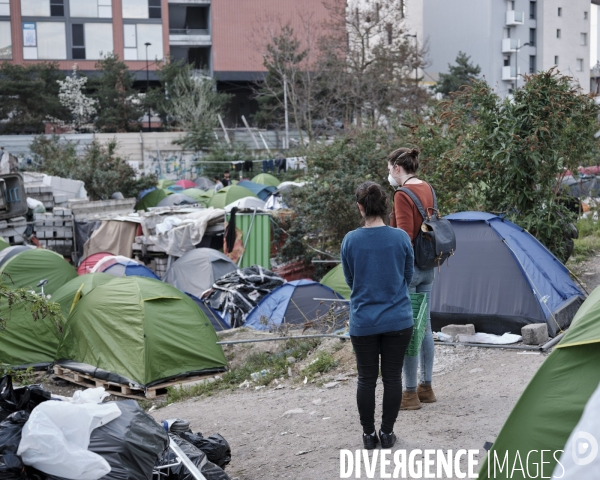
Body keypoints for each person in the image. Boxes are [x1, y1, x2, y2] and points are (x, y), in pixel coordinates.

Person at [341, 181, 415, 450]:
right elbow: (408, 276)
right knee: (393, 377)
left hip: (364, 321)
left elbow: (351, 279)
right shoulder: (400, 238)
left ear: (360, 207)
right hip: (398, 318)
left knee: (366, 378)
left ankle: (367, 435)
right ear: (385, 206)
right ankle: (387, 433)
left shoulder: (350, 240)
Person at [387, 147, 436, 410]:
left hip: (410, 269)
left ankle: (409, 394)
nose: (389, 175)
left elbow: (404, 236)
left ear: (397, 168)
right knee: (425, 326)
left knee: (408, 329)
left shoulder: (402, 194)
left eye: (389, 169)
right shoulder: (427, 187)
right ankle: (426, 387)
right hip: (429, 265)